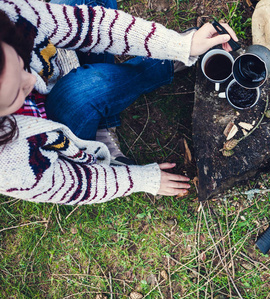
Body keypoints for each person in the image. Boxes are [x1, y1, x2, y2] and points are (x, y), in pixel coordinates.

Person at [0, 0, 238, 204]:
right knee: (85, 88)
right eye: (15, 94)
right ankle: (151, 74)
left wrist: (181, 45)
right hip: (62, 139)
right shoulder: (8, 167)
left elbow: (96, 25)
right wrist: (140, 179)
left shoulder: (6, 13)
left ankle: (163, 63)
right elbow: (76, 184)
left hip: (61, 66)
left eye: (21, 62)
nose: (31, 80)